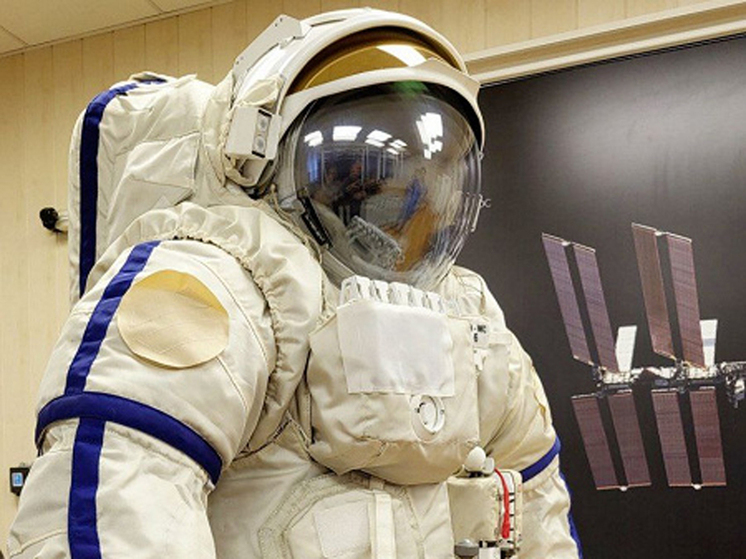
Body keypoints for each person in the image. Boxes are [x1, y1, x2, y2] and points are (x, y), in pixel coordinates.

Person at [6, 8, 582, 559]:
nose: (403, 205)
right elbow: (115, 495)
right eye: (359, 174)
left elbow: (540, 510)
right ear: (257, 159)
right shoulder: (225, 280)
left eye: (426, 180)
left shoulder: (474, 326)